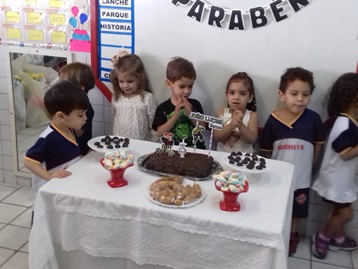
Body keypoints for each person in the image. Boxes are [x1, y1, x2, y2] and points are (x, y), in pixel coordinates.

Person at [259, 67, 326, 256]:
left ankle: (293, 234)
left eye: (306, 94)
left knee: (298, 208)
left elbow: (318, 144)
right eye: (294, 93)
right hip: (277, 178)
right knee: (277, 205)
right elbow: (265, 151)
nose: (300, 99)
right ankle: (276, 232)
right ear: (282, 94)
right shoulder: (273, 120)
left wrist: (312, 165)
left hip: (302, 177)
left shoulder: (313, 119)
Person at [24, 81, 89, 223]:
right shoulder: (48, 138)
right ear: (61, 116)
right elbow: (28, 161)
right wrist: (49, 176)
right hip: (47, 192)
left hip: (61, 189)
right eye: (80, 115)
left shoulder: (69, 128)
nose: (85, 118)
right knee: (44, 222)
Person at [311, 73, 358, 259]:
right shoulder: (345, 123)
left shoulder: (347, 120)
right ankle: (323, 237)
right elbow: (344, 154)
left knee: (338, 210)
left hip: (340, 177)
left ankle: (337, 237)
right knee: (345, 213)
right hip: (336, 177)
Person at [152, 56, 206, 149]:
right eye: (182, 86)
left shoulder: (196, 104)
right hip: (172, 151)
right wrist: (175, 115)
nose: (186, 91)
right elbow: (160, 133)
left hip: (196, 151)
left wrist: (191, 113)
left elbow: (202, 128)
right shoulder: (163, 108)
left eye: (190, 86)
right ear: (169, 84)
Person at [110, 50, 157, 141]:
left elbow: (154, 125)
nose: (125, 85)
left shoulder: (147, 98)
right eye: (121, 81)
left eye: (130, 81)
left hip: (141, 144)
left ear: (139, 79)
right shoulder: (116, 97)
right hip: (120, 145)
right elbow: (113, 119)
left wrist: (153, 144)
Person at [213, 72, 258, 153]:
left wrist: (240, 124)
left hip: (244, 159)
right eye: (232, 93)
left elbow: (252, 140)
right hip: (222, 156)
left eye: (242, 94)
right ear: (227, 96)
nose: (236, 97)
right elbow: (216, 137)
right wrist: (231, 125)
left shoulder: (252, 116)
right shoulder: (221, 113)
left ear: (250, 97)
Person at [59, 62, 95, 156]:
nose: (61, 87)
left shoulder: (84, 107)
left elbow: (79, 132)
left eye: (65, 85)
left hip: (79, 152)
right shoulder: (69, 103)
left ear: (81, 87)